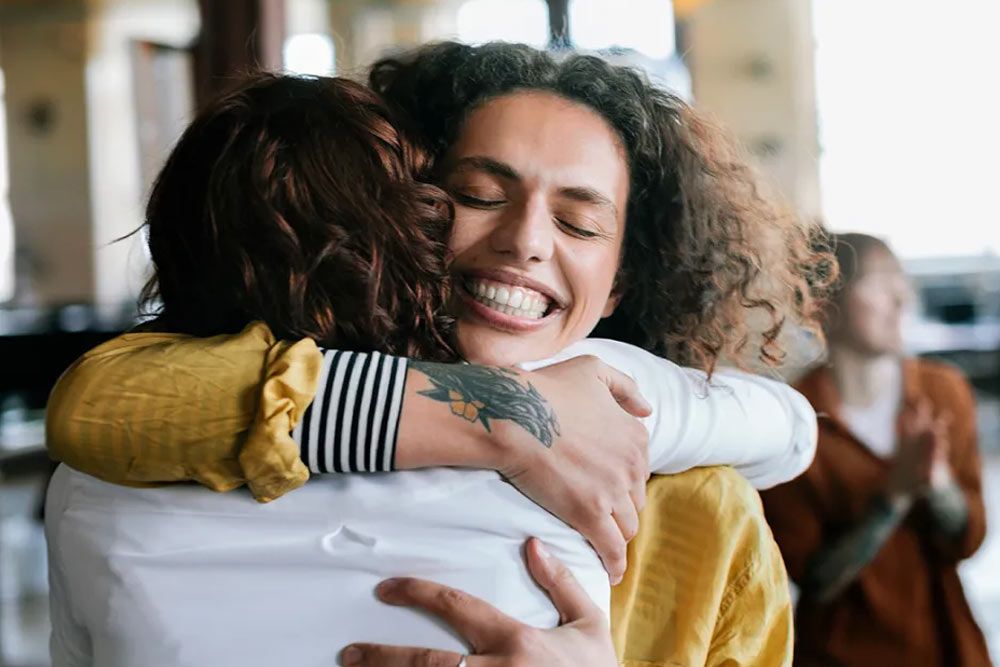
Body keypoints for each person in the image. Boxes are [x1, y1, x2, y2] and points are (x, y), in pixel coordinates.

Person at [46, 42, 829, 666]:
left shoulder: (700, 506)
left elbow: (789, 427)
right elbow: (99, 401)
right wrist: (511, 419)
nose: (525, 240)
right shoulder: (193, 419)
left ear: (623, 281)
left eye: (580, 224)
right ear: (406, 211)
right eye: (480, 194)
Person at [761, 233, 990, 667]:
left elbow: (968, 540)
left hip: (948, 649)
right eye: (880, 281)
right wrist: (895, 495)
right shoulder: (792, 419)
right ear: (823, 304)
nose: (901, 297)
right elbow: (814, 579)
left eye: (900, 280)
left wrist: (938, 485)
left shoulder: (945, 393)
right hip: (841, 656)